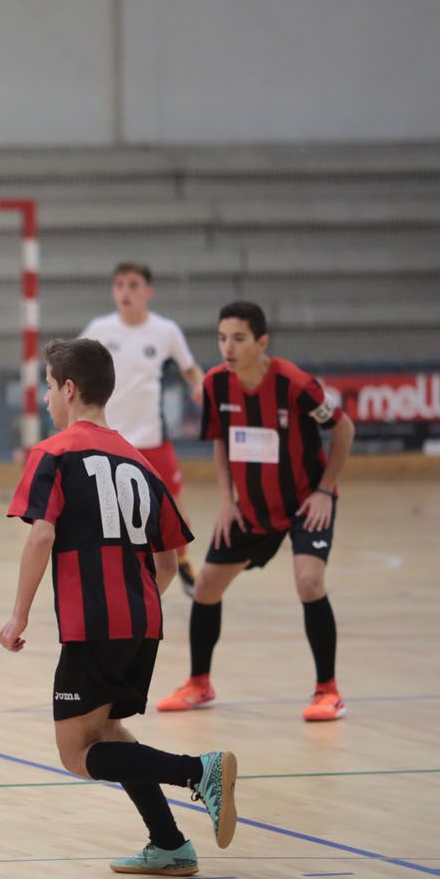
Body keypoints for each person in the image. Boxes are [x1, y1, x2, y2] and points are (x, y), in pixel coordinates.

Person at [0, 337, 237, 876]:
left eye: (48, 387)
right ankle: (170, 844)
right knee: (106, 733)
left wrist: (18, 616)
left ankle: (198, 771)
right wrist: (135, 603)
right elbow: (170, 560)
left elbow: (41, 536)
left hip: (93, 626)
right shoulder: (139, 459)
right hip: (142, 622)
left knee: (76, 753)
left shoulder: (54, 453)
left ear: (69, 389)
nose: (44, 398)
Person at [157, 302, 356, 722]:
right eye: (221, 338)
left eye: (238, 339)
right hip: (251, 507)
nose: (227, 347)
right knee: (206, 587)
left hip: (305, 503)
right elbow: (220, 440)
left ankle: (328, 691)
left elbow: (343, 428)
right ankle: (199, 684)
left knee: (309, 581)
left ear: (262, 342)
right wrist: (227, 501)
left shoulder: (295, 384)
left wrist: (324, 491)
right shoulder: (216, 384)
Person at [79, 262, 203, 594]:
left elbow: (190, 368)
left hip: (151, 438)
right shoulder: (100, 328)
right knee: (105, 511)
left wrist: (200, 386)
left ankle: (182, 561)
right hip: (108, 438)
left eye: (133, 285)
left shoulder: (165, 331)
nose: (126, 292)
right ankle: (110, 575)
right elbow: (72, 363)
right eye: (119, 285)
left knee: (172, 508)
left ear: (148, 291)